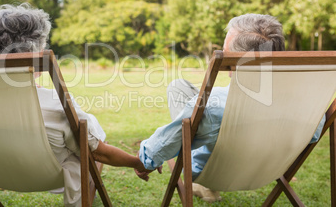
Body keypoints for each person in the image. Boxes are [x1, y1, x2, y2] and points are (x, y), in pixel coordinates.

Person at [0, 3, 149, 206]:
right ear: (35, 54)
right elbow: (99, 152)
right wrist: (137, 162)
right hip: (46, 174)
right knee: (88, 139)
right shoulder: (55, 105)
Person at [135, 13, 326, 202]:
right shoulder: (310, 108)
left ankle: (205, 185)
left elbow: (157, 149)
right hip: (269, 169)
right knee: (179, 87)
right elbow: (314, 135)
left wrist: (146, 159)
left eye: (226, 51)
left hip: (210, 172)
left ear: (239, 61)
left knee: (187, 115)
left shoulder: (213, 106)